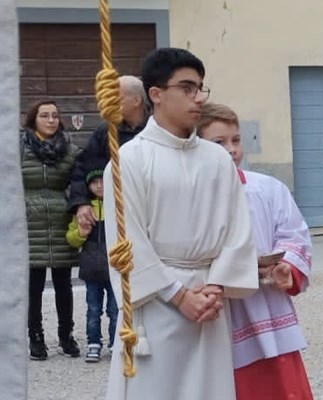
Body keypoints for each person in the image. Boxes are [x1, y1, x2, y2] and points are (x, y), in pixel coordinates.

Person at [103, 48, 258, 400]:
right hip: (157, 303)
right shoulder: (130, 159)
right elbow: (127, 243)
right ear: (156, 94)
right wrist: (179, 296)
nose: (198, 98)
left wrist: (216, 286)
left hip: (209, 301)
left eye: (201, 88)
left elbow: (238, 230)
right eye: (187, 88)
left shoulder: (217, 158)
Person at [197, 103, 314, 400]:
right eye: (219, 143)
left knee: (278, 384)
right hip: (222, 307)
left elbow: (294, 233)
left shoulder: (268, 189)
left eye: (236, 140)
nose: (231, 149)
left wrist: (287, 268)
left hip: (267, 305)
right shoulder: (192, 195)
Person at [20, 99, 81, 360]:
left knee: (63, 285)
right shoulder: (18, 148)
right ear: (33, 119)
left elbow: (80, 180)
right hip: (28, 221)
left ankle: (66, 336)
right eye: (44, 115)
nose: (51, 120)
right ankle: (35, 338)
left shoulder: (69, 149)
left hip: (59, 221)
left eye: (55, 115)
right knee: (32, 287)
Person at [69, 75, 149, 228]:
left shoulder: (158, 127)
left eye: (116, 98)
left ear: (136, 101)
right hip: (118, 213)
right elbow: (83, 166)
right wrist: (81, 203)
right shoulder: (105, 131)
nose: (109, 103)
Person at [66, 162, 117, 363]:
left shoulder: (118, 207)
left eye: (102, 181)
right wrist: (81, 233)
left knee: (115, 310)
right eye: (94, 182)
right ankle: (93, 343)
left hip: (113, 268)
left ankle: (115, 343)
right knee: (93, 309)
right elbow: (70, 238)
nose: (99, 186)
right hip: (91, 268)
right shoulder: (83, 210)